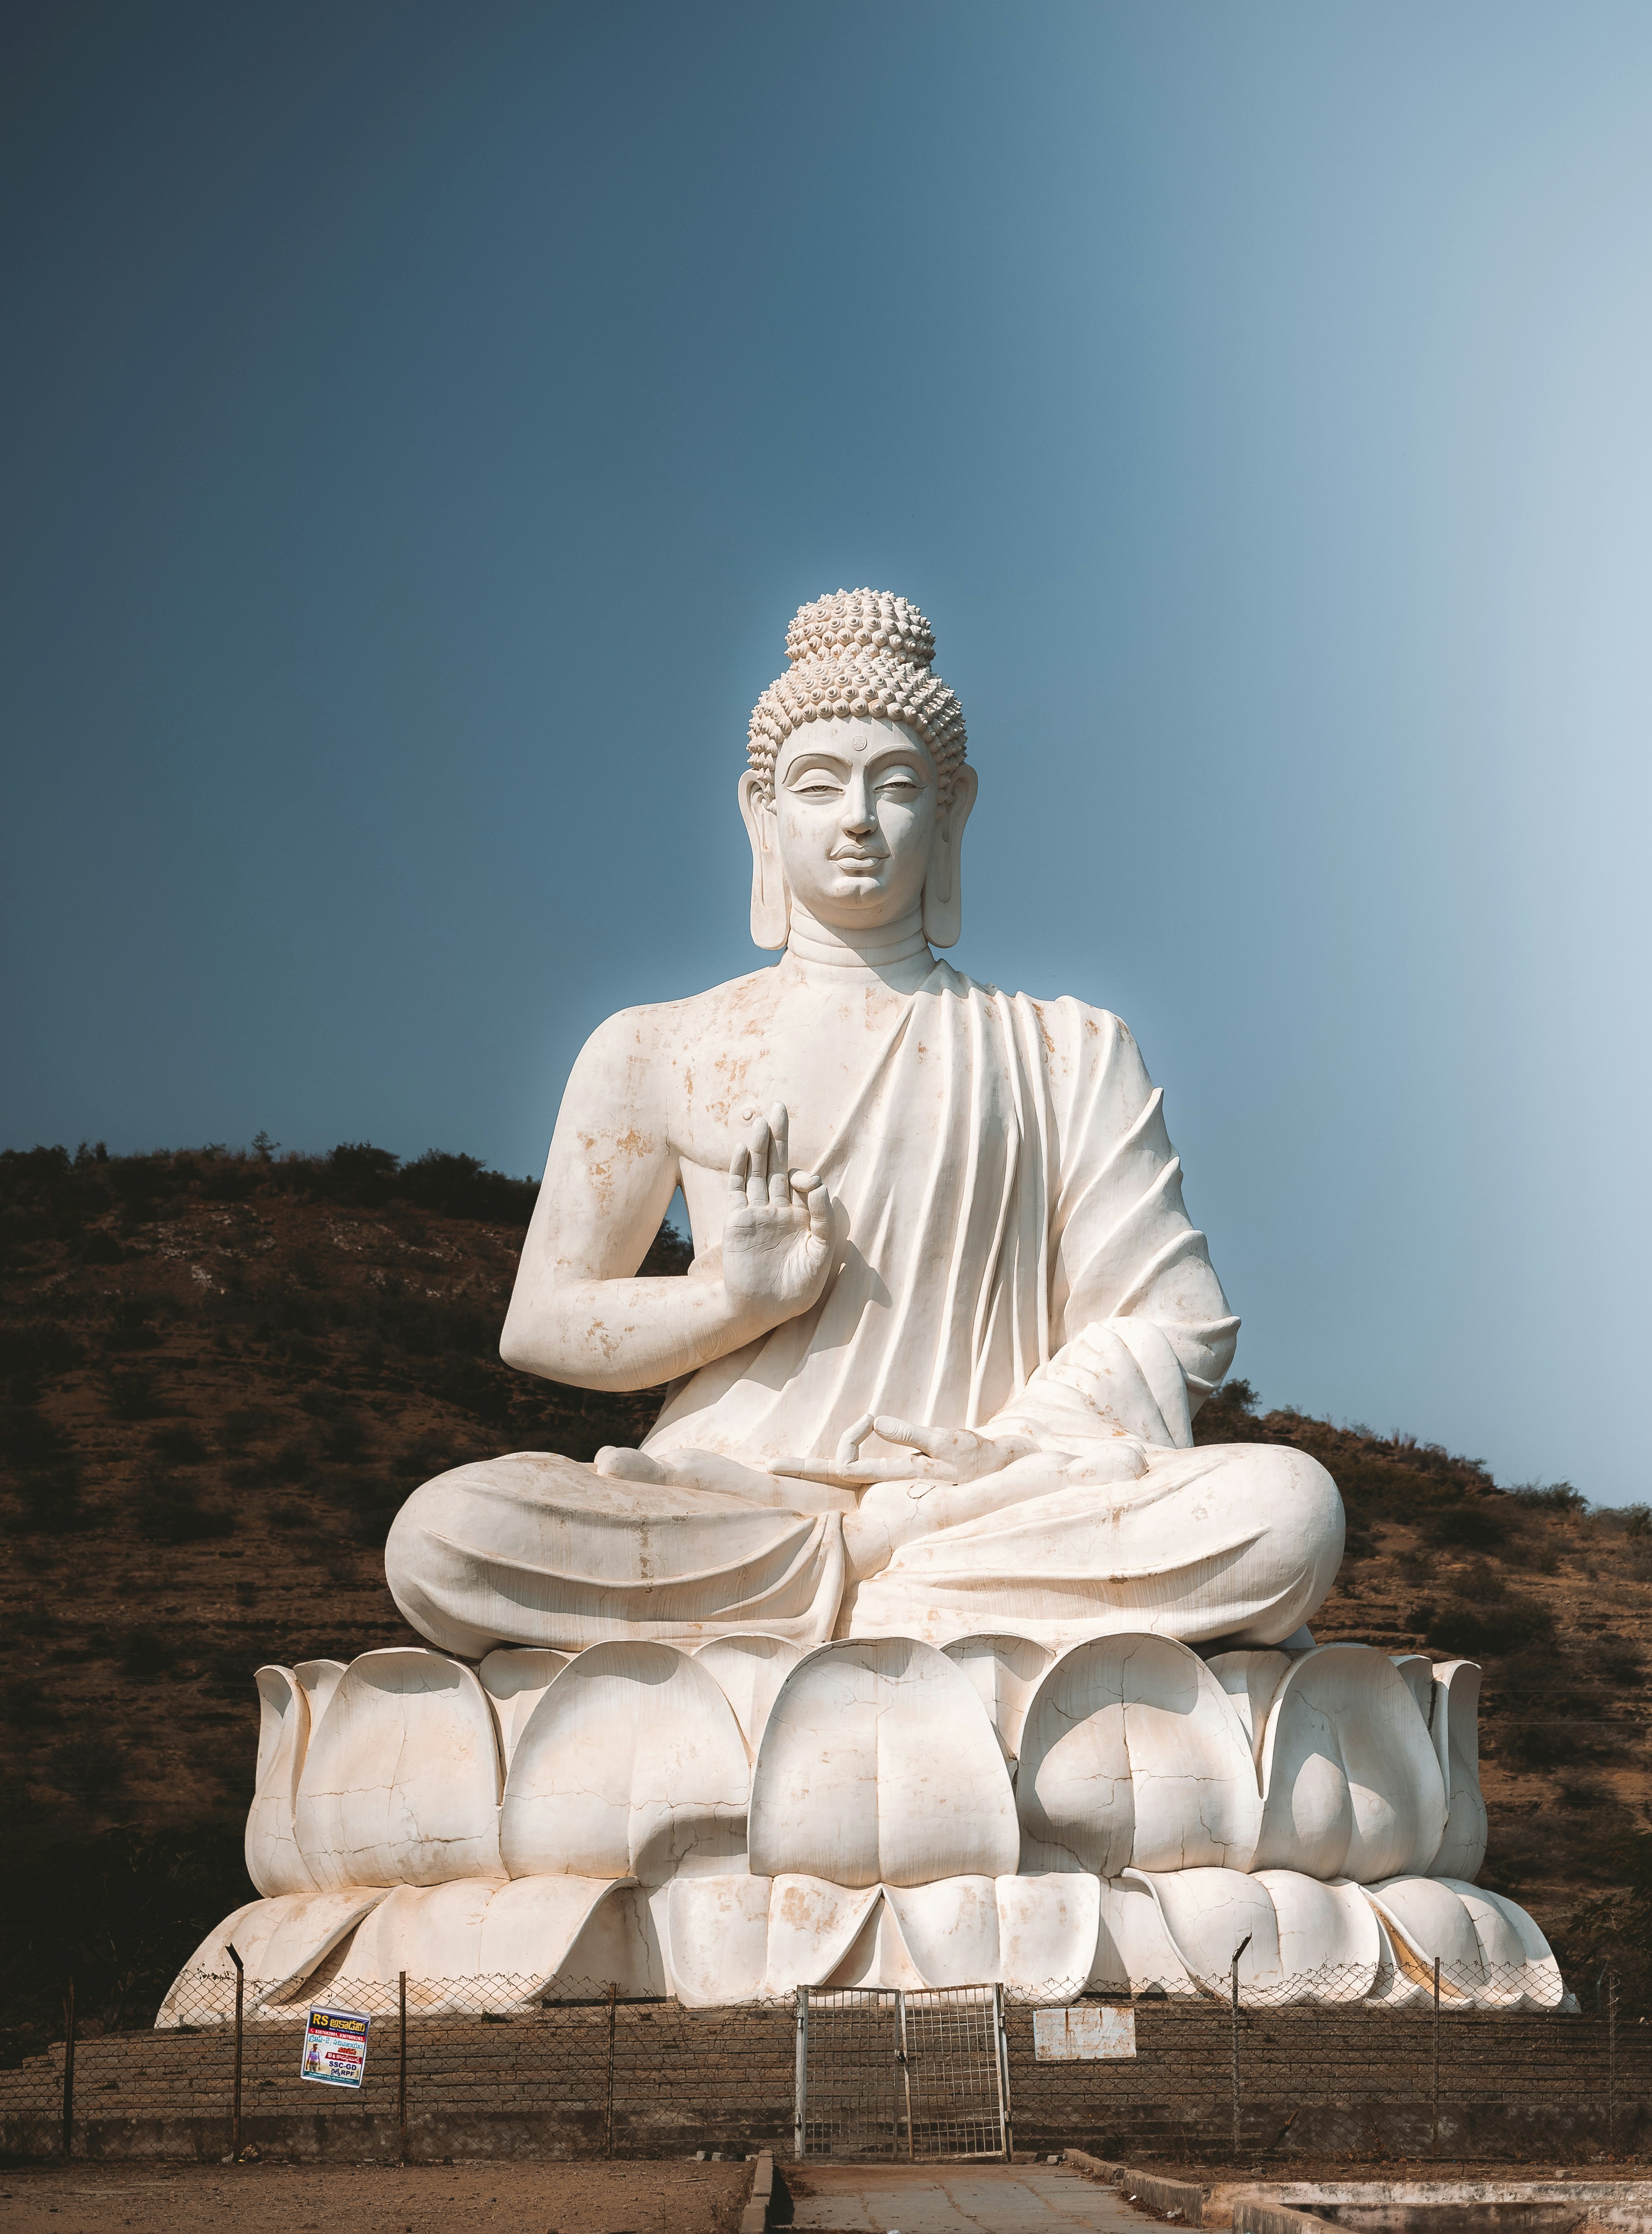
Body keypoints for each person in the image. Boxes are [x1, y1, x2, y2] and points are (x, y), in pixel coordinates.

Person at [386, 591, 1342, 1658]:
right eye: (818, 784)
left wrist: (1001, 1453)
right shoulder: (653, 1046)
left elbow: (1172, 1321)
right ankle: (900, 1606)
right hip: (731, 1500)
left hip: (979, 1497)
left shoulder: (1067, 1047)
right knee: (444, 1535)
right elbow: (544, 1323)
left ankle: (865, 1588)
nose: (856, 819)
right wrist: (730, 1299)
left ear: (951, 809)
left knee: (1285, 1508)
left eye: (896, 787)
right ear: (761, 809)